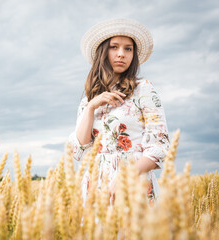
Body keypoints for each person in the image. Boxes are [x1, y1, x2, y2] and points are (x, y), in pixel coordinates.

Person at [68, 18, 170, 205]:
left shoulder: (143, 90)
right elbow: (80, 149)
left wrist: (124, 177)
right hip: (96, 187)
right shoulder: (88, 101)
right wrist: (91, 107)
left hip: (133, 183)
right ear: (103, 52)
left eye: (128, 48)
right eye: (114, 47)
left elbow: (160, 147)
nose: (121, 54)